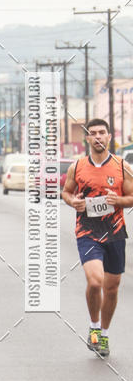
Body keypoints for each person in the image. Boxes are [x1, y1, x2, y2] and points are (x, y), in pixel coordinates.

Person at [62, 118, 133, 358]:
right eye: (93, 133)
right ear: (87, 138)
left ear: (109, 136)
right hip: (88, 232)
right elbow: (66, 192)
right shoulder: (78, 166)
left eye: (102, 132)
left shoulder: (122, 166)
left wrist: (119, 201)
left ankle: (104, 333)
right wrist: (74, 202)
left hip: (115, 234)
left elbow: (131, 196)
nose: (98, 137)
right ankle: (93, 328)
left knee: (112, 289)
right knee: (95, 282)